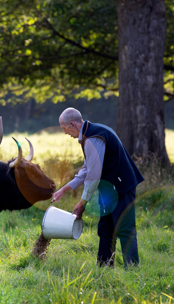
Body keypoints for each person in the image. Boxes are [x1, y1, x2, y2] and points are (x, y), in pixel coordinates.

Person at [52, 107, 144, 268]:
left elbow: (93, 176)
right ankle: (104, 269)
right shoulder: (90, 133)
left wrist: (82, 203)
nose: (65, 133)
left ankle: (134, 271)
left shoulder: (93, 137)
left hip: (121, 187)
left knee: (125, 229)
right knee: (105, 229)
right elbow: (87, 169)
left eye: (64, 128)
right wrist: (64, 189)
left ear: (72, 124)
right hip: (109, 190)